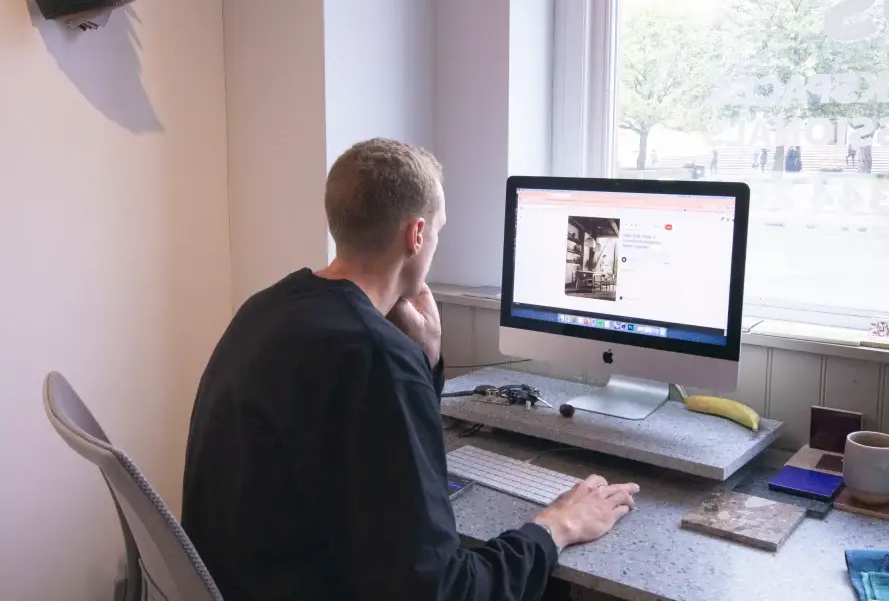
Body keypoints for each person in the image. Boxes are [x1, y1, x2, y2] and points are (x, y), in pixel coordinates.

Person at [181, 138, 639, 601]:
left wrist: (427, 354)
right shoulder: (373, 355)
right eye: (438, 230)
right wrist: (555, 527)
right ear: (416, 234)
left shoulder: (266, 308)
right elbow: (442, 591)